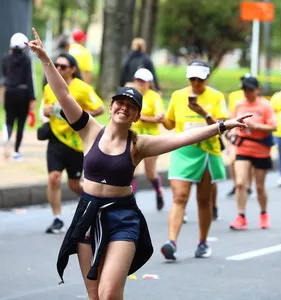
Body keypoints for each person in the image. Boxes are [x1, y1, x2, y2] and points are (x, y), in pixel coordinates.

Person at [27, 28, 251, 300]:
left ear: (136, 115)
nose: (124, 108)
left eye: (130, 106)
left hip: (122, 217)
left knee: (109, 293)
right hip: (88, 214)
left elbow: (183, 137)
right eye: (119, 102)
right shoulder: (89, 131)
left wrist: (222, 125)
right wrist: (44, 59)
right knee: (95, 294)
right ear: (111, 107)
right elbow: (63, 94)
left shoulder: (139, 144)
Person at [160, 60, 229, 260]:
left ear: (207, 78)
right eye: (192, 78)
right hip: (183, 150)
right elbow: (170, 123)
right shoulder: (178, 95)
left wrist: (203, 112)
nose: (196, 82)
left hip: (207, 150)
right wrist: (160, 118)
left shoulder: (216, 97)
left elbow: (221, 126)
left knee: (203, 200)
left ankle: (202, 242)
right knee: (179, 196)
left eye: (199, 79)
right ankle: (171, 242)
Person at [43, 52, 104, 234]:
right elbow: (46, 109)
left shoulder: (83, 88)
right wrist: (47, 111)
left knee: (74, 184)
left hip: (77, 142)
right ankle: (57, 218)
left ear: (73, 69)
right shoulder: (49, 88)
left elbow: (99, 108)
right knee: (53, 178)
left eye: (63, 66)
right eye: (57, 65)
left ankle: (95, 204)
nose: (59, 69)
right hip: (56, 139)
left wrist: (77, 113)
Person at [229, 76, 277, 230]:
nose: (247, 92)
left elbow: (273, 127)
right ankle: (241, 216)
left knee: (259, 186)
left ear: (258, 89)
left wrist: (255, 125)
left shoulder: (265, 106)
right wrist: (231, 132)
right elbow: (232, 124)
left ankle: (264, 213)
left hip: (261, 150)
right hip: (243, 148)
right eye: (244, 89)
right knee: (240, 183)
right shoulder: (239, 105)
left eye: (250, 89)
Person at [130, 68, 165, 210]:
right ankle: (131, 200)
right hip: (134, 138)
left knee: (150, 173)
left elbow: (159, 117)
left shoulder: (154, 97)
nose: (140, 84)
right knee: (130, 169)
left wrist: (142, 117)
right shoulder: (132, 95)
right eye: (138, 80)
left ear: (149, 83)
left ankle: (159, 191)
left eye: (143, 81)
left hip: (151, 139)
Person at [2, 32, 36, 161]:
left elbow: (4, 74)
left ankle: (7, 140)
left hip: (9, 92)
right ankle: (16, 152)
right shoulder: (26, 60)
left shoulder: (5, 59)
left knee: (9, 120)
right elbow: (29, 79)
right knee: (21, 123)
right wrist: (32, 97)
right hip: (23, 94)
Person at [225, 73, 254, 198]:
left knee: (250, 163)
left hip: (251, 134)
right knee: (232, 161)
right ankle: (236, 184)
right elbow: (232, 115)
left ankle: (248, 186)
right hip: (236, 134)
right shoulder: (234, 97)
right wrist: (229, 131)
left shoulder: (255, 96)